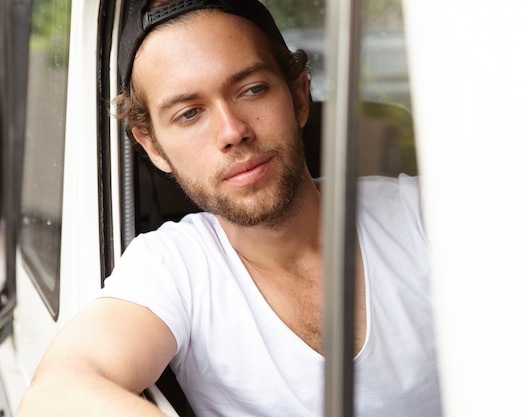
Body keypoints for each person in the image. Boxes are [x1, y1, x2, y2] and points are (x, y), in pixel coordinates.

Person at [17, 0, 441, 416]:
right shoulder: (173, 267)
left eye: (252, 89)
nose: (232, 131)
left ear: (298, 96)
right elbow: (56, 392)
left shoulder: (422, 215)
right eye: (189, 113)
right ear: (153, 147)